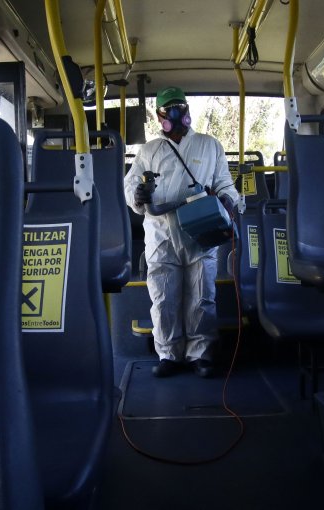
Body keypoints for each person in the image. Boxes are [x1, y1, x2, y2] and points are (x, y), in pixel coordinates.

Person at [123, 86, 241, 378]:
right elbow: (130, 186)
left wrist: (229, 200)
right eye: (170, 110)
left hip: (201, 231)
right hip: (161, 234)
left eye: (181, 108)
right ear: (160, 116)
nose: (177, 115)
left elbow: (225, 182)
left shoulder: (209, 145)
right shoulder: (148, 150)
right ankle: (169, 353)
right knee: (163, 297)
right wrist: (137, 195)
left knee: (203, 295)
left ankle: (201, 354)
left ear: (188, 111)